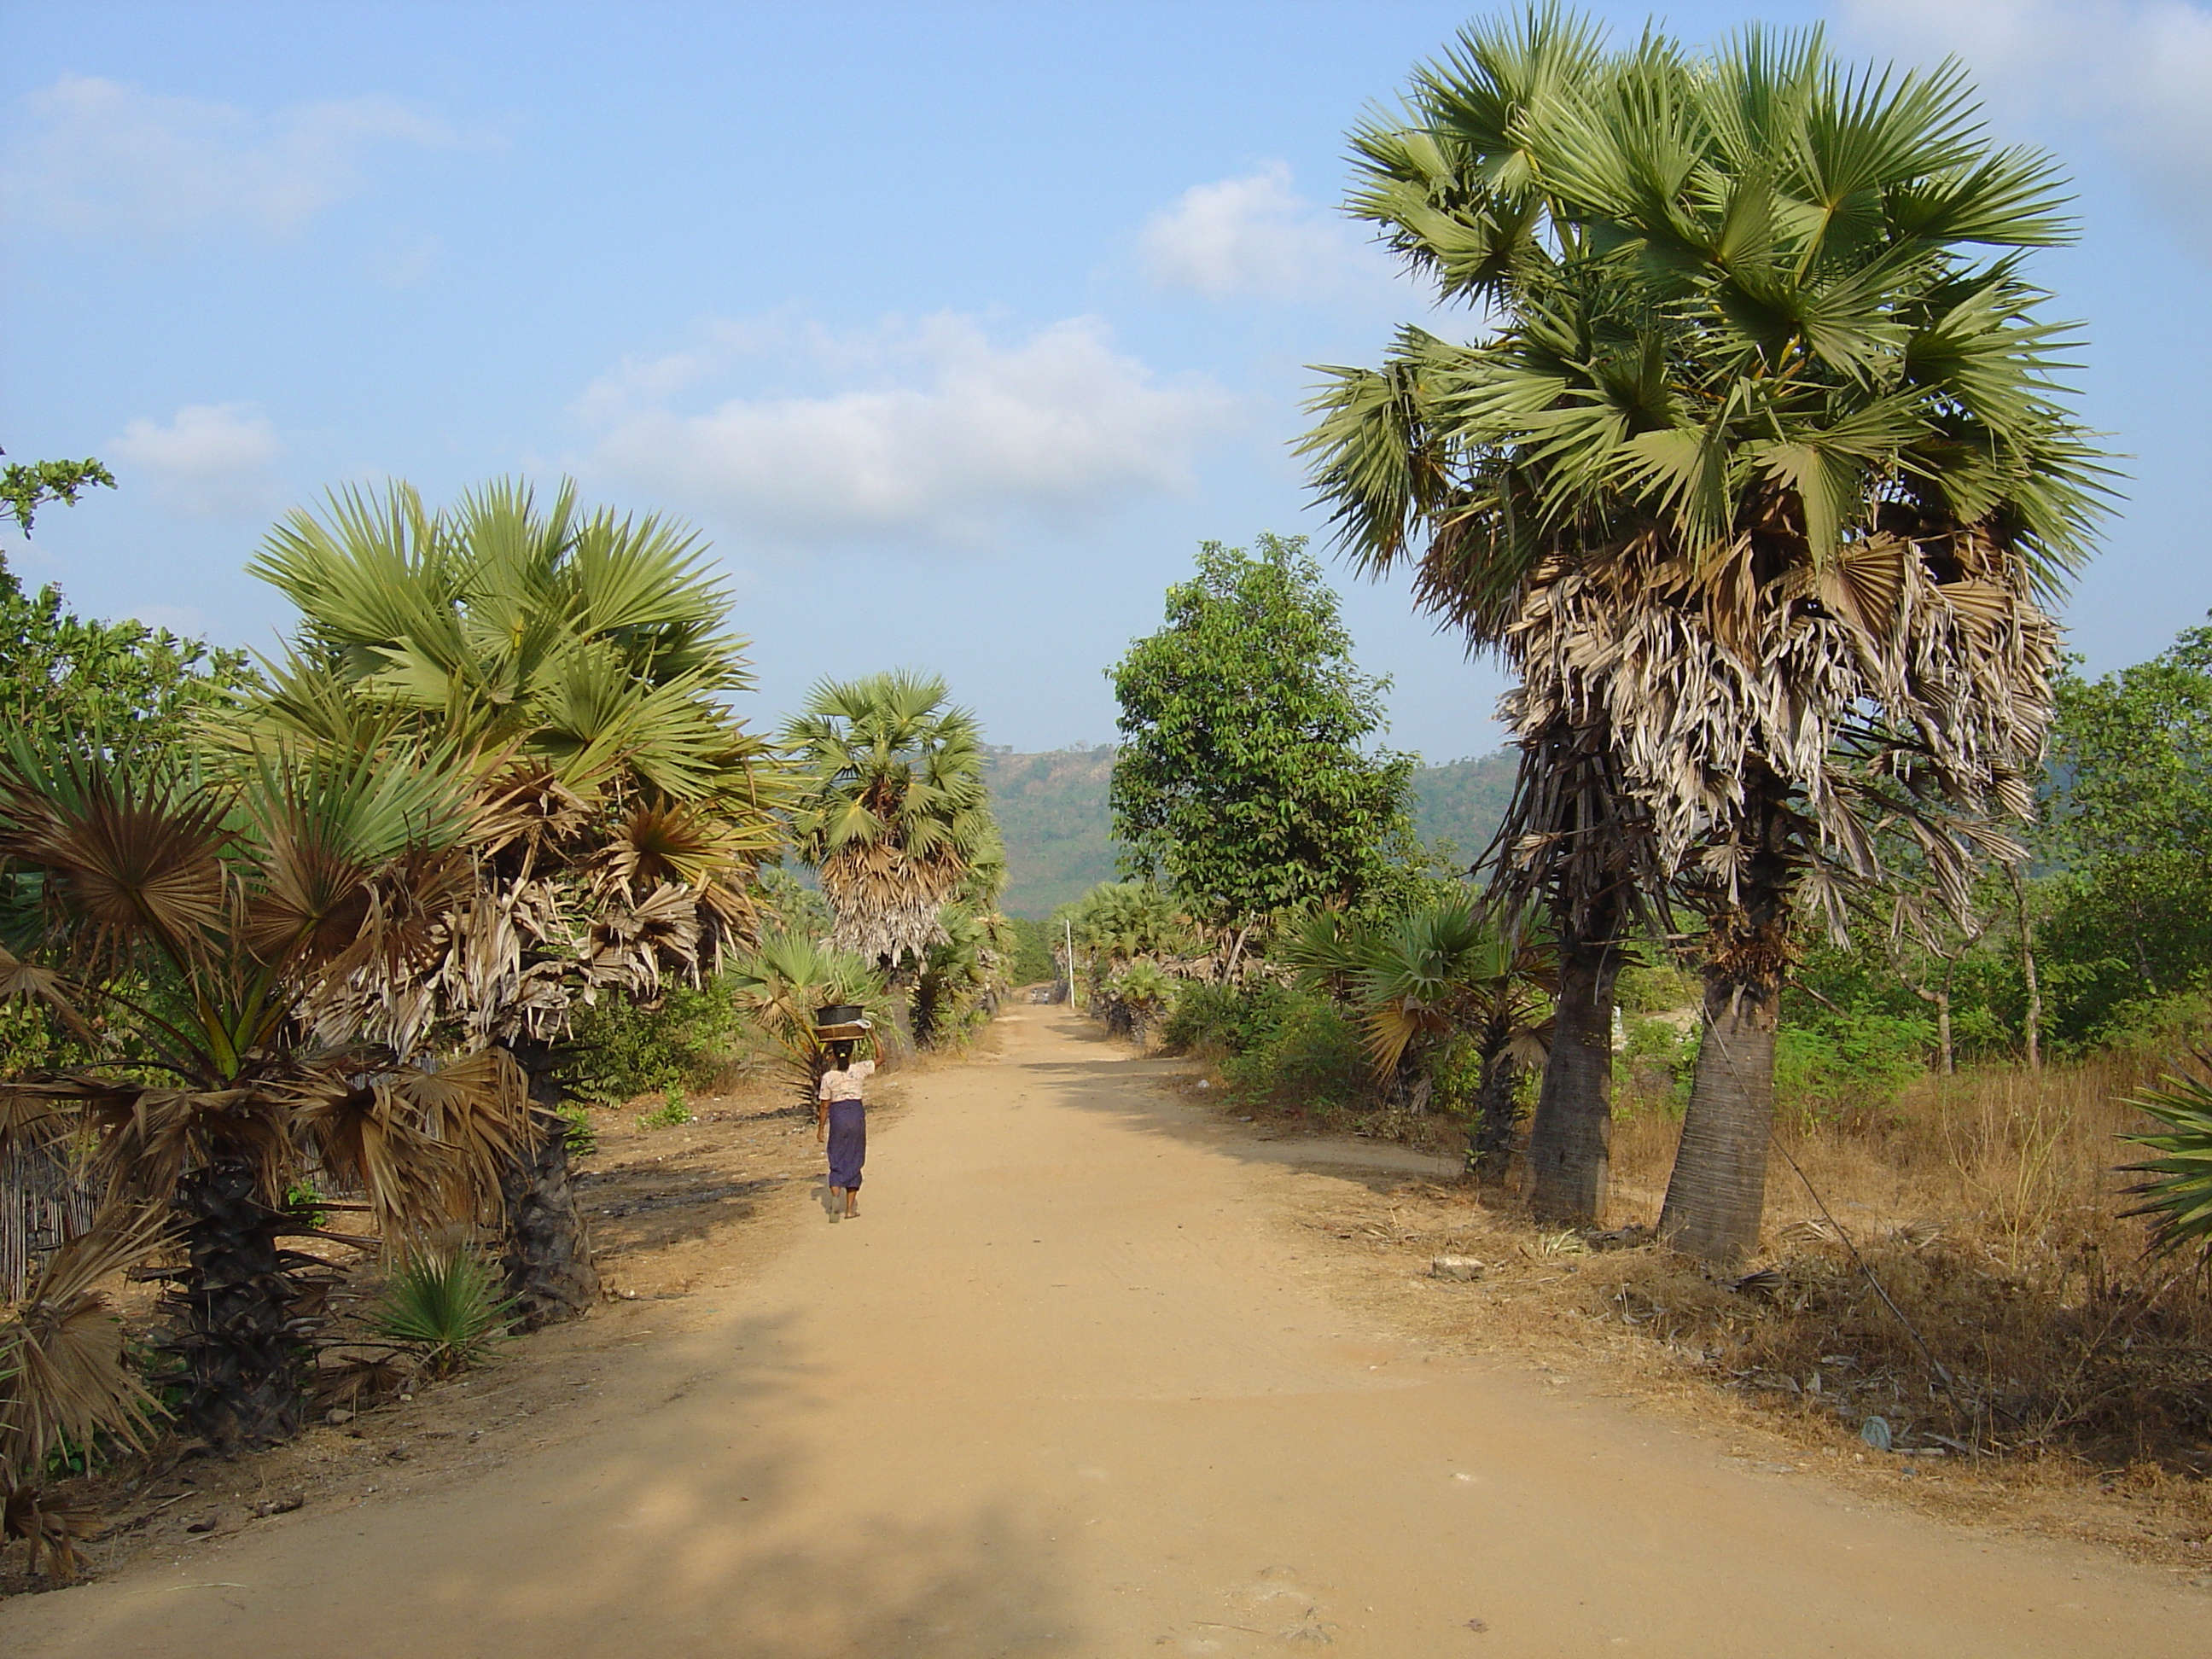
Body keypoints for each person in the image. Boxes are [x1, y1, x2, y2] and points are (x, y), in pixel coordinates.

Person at [816, 1038, 876, 1220]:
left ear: (833, 1055)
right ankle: (850, 1210)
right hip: (856, 1115)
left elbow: (824, 1106)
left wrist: (820, 1129)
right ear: (851, 1053)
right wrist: (872, 1034)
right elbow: (881, 1058)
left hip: (838, 1116)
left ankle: (835, 1198)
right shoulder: (858, 1070)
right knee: (854, 1157)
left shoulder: (829, 1077)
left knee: (837, 1155)